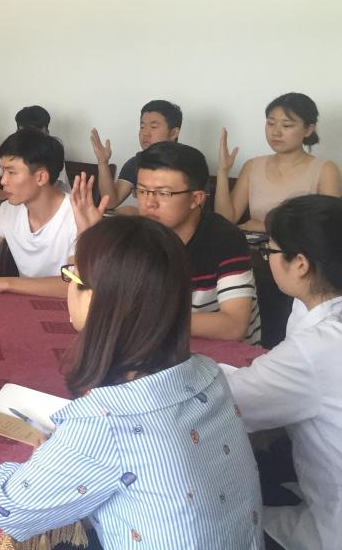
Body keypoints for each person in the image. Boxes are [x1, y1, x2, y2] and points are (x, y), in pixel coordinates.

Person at [0, 216, 263, 550]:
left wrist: (35, 462)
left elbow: (11, 510)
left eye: (72, 276)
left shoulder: (103, 423)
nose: (68, 287)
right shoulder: (209, 373)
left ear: (105, 300)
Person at [224, 195, 342, 550]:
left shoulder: (320, 345)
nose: (266, 258)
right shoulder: (311, 311)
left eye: (269, 250)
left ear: (300, 263)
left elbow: (229, 398)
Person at [71, 142, 261, 344]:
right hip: (159, 345)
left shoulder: (224, 238)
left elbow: (233, 325)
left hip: (222, 355)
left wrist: (142, 322)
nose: (149, 203)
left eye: (163, 193)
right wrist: (88, 239)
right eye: (142, 191)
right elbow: (88, 302)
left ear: (196, 199)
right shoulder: (137, 234)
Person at [0, 129, 76, 298]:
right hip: (25, 305)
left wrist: (3, 283)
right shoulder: (8, 210)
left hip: (70, 310)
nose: (3, 181)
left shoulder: (77, 216)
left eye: (11, 172)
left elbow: (73, 283)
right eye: (3, 172)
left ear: (41, 177)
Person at [216, 93, 341, 232]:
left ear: (308, 130)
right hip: (253, 246)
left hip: (299, 247)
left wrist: (266, 226)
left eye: (287, 125)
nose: (276, 132)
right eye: (271, 123)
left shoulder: (325, 170)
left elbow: (329, 228)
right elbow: (224, 221)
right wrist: (222, 171)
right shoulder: (252, 166)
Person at [89, 99, 183, 211]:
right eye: (142, 127)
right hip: (149, 220)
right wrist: (103, 162)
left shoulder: (190, 162)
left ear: (173, 133)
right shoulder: (136, 163)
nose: (145, 133)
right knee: (125, 211)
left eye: (153, 127)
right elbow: (110, 202)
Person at [0, 105, 52, 192]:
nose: (30, 139)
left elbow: (48, 191)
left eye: (35, 134)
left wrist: (3, 195)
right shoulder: (12, 154)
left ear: (46, 132)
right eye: (24, 133)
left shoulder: (53, 153)